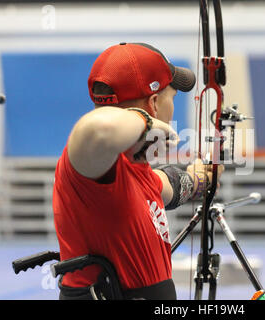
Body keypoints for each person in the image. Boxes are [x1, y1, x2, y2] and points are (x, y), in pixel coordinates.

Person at [52, 42, 224, 300]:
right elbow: (97, 130)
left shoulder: (134, 167)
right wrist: (146, 121)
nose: (172, 108)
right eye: (172, 98)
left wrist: (201, 179)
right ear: (154, 103)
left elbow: (167, 185)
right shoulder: (90, 163)